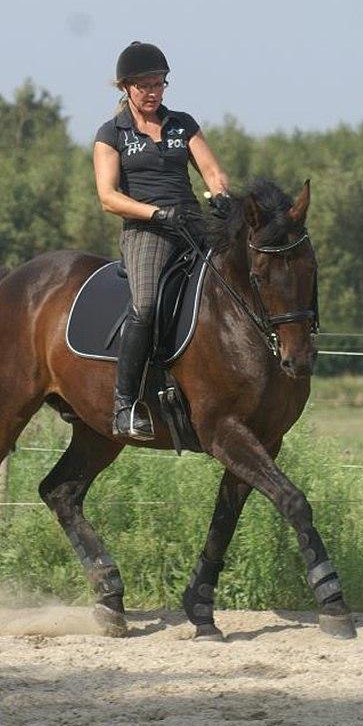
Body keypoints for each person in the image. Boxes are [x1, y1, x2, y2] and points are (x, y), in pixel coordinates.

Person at [93, 41, 230, 440]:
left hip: (191, 223)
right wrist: (155, 213)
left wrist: (221, 195)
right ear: (125, 88)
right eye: (145, 86)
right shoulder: (111, 134)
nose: (154, 92)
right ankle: (125, 405)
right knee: (148, 304)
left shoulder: (182, 124)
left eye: (159, 84)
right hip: (147, 231)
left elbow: (211, 170)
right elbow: (108, 197)